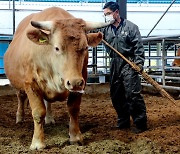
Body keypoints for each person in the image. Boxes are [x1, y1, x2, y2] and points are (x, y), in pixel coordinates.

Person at [95, 1, 147, 133]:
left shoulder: (131, 27)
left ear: (116, 12)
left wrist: (139, 63)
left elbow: (138, 47)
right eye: (104, 15)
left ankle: (140, 123)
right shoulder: (104, 28)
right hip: (114, 63)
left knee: (132, 94)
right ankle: (123, 120)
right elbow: (91, 32)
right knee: (116, 94)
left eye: (108, 14)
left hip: (129, 63)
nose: (106, 17)